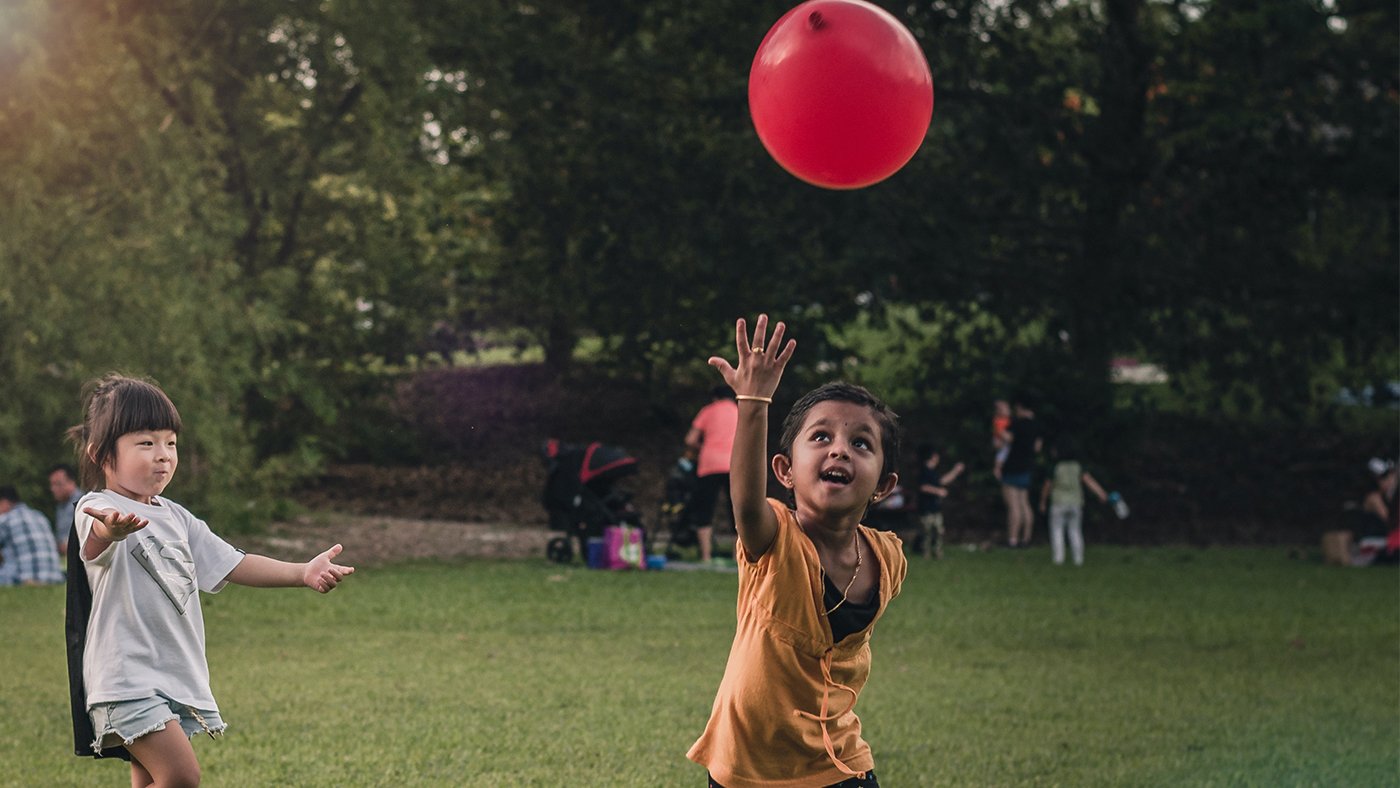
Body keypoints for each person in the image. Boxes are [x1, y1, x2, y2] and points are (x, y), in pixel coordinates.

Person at [64, 374, 355, 785]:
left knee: (150, 779)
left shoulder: (178, 518)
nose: (163, 455)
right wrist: (110, 531)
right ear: (100, 455)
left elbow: (233, 563)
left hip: (171, 676)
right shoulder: (98, 506)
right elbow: (93, 546)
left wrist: (301, 572)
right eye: (146, 443)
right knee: (181, 776)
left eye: (171, 443)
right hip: (125, 677)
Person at [687, 315, 907, 788]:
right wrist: (754, 400)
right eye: (821, 437)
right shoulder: (773, 541)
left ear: (884, 485)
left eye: (861, 443)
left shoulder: (888, 559)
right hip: (747, 771)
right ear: (785, 470)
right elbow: (744, 500)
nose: (840, 451)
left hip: (839, 764)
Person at [685, 384, 739, 563]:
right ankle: (737, 557)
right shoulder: (739, 411)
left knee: (705, 509)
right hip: (733, 464)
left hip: (709, 464)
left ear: (715, 397)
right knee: (736, 511)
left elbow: (690, 439)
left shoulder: (708, 410)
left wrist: (704, 447)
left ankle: (706, 556)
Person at [1037, 436, 1110, 566]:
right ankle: (1078, 559)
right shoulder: (1078, 466)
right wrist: (1102, 493)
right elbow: (1089, 481)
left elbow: (1047, 486)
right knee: (1075, 530)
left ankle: (1058, 558)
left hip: (1058, 503)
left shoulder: (1055, 467)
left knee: (1057, 530)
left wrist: (1042, 501)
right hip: (1076, 503)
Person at [995, 398, 1042, 548]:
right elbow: (1037, 448)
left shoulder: (1017, 424)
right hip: (1027, 467)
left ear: (1021, 407)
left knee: (1013, 506)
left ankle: (1013, 539)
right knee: (1025, 504)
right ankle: (1026, 539)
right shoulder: (1036, 426)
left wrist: (999, 427)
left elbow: (1006, 439)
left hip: (1013, 467)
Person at [0, 485, 65, 585]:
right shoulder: (40, 516)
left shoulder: (5, 520)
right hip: (54, 578)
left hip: (22, 580)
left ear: (4, 503)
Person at [915, 443, 965, 559]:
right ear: (933, 456)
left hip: (935, 508)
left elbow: (942, 481)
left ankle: (938, 552)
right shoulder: (924, 471)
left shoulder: (933, 472)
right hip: (926, 508)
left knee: (938, 531)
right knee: (927, 532)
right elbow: (923, 487)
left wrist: (955, 471)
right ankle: (925, 553)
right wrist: (938, 491)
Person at [49, 463, 85, 556]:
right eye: (52, 485)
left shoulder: (83, 503)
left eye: (58, 484)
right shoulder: (61, 506)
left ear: (71, 482)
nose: (53, 489)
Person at [990, 399, 1012, 478]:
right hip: (1001, 441)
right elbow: (999, 431)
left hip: (1004, 442)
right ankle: (997, 469)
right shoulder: (998, 420)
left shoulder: (1009, 420)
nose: (1008, 411)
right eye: (1005, 409)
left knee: (1003, 454)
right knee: (1001, 455)